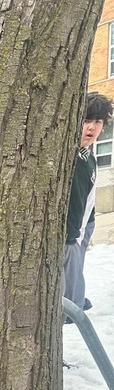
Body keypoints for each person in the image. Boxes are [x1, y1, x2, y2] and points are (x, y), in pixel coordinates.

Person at [63, 91, 113, 312]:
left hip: (87, 221)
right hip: (74, 227)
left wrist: (88, 224)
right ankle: (71, 309)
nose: (92, 128)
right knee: (70, 267)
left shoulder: (89, 156)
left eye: (97, 122)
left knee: (79, 264)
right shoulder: (73, 157)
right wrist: (75, 232)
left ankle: (79, 300)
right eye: (86, 121)